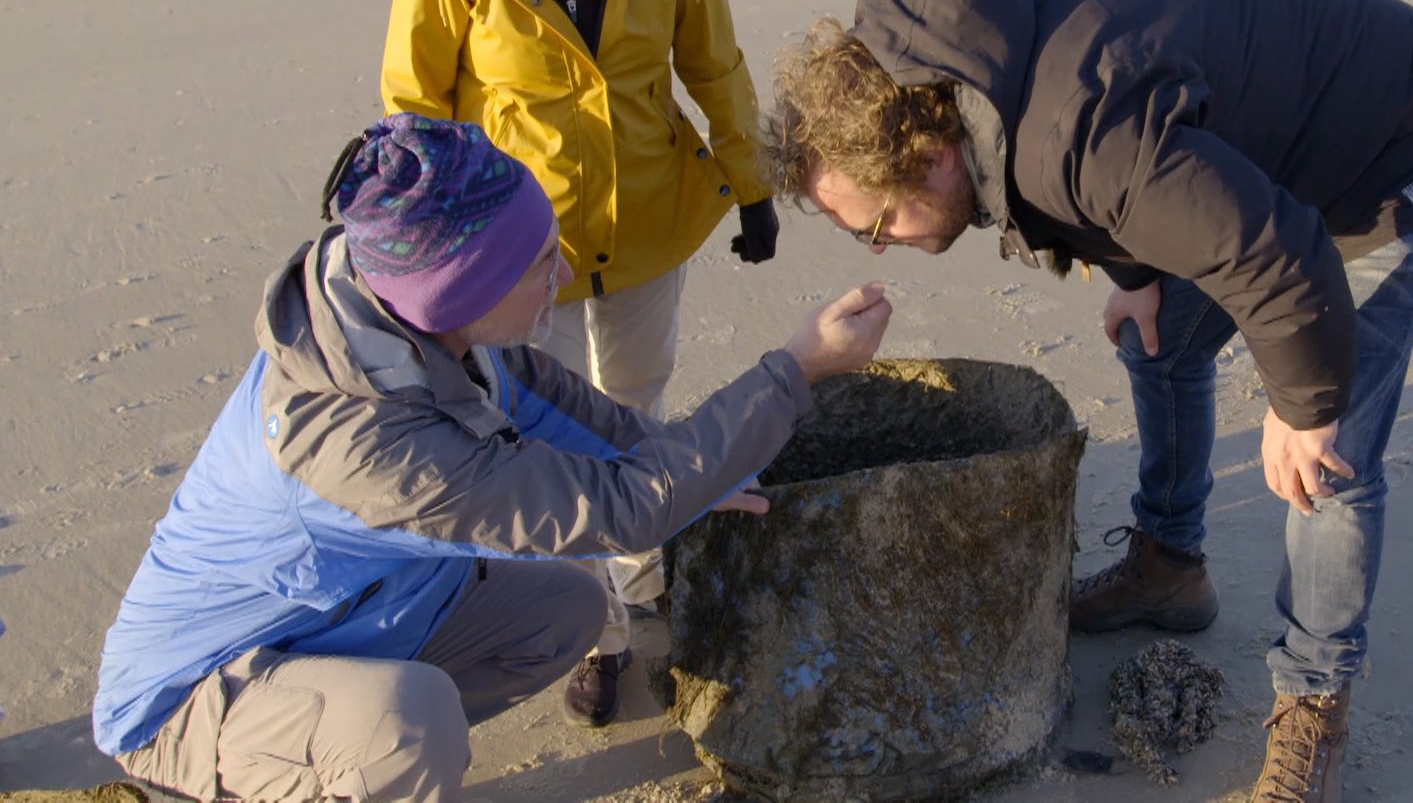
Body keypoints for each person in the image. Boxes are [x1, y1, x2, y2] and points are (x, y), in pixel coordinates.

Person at [761, 0, 1413, 802]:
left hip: (1394, 150)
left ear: (931, 154)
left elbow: (1284, 258)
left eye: (875, 224)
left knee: (1327, 464)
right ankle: (1172, 567)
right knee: (1159, 339)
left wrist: (1301, 407)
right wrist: (1138, 271)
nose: (879, 248)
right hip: (1259, 162)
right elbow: (1154, 166)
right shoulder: (972, 78)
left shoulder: (1076, 143)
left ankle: (1313, 699)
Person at [92, 114, 892, 802]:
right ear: (461, 291)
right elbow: (620, 513)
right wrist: (797, 368)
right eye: (539, 262)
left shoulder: (409, 321)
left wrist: (707, 473)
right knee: (408, 725)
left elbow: (605, 436)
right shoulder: (365, 445)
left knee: (564, 613)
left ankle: (342, 739)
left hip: (341, 622)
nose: (567, 271)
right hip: (182, 706)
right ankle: (308, 768)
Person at [379, 0, 778, 725]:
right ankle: (591, 629)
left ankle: (643, 582)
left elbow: (711, 55)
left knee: (635, 402)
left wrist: (750, 182)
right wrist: (432, 252)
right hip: (515, 248)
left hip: (646, 215)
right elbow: (413, 104)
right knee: (539, 431)